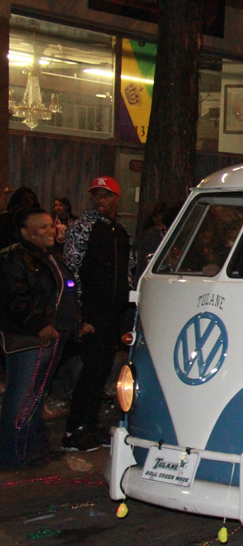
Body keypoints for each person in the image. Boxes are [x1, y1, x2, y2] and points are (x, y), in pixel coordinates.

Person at [0, 209, 79, 469]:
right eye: (41, 227)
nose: (49, 231)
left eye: (50, 225)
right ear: (26, 232)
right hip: (27, 338)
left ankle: (33, 449)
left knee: (35, 395)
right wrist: (39, 325)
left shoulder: (47, 256)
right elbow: (14, 299)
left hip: (47, 335)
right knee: (21, 396)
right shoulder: (15, 258)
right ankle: (12, 455)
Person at [63, 176, 134, 452]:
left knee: (102, 368)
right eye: (97, 195)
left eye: (106, 195)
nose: (101, 200)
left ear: (116, 198)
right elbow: (71, 269)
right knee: (91, 369)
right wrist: (79, 311)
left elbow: (127, 269)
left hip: (112, 312)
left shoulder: (120, 230)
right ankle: (75, 428)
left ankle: (90, 423)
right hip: (91, 311)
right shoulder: (82, 227)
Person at [0, 186, 40, 251]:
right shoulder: (7, 218)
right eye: (26, 199)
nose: (28, 202)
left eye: (31, 199)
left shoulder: (37, 217)